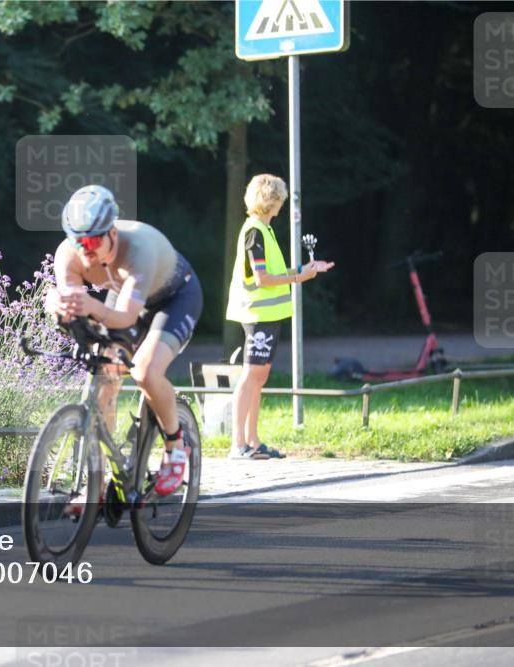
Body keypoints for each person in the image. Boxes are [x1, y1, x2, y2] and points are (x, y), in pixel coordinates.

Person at [44, 184, 203, 495]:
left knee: (144, 371)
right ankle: (100, 481)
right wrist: (56, 306)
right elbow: (74, 312)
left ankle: (176, 444)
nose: (84, 249)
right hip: (125, 293)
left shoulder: (137, 250)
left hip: (173, 298)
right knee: (104, 377)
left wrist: (89, 305)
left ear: (112, 233)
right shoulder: (69, 255)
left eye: (91, 241)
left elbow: (126, 318)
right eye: (77, 241)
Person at [225, 174, 335, 459]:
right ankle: (238, 445)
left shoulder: (265, 230)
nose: (282, 204)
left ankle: (253, 441)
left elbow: (273, 271)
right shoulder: (254, 231)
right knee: (251, 376)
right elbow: (261, 279)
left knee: (258, 378)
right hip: (258, 313)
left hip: (269, 314)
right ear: (270, 201)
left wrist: (305, 267)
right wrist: (300, 277)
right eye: (280, 199)